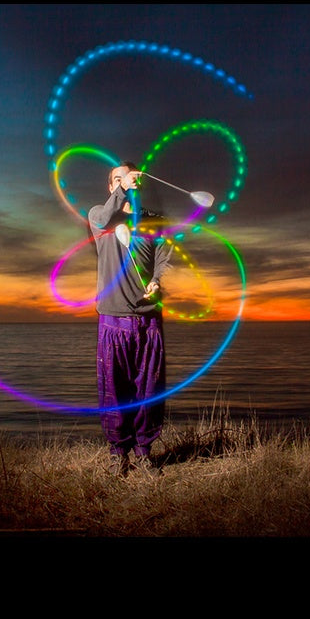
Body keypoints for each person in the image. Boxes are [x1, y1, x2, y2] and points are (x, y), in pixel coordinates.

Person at [88, 162, 172, 477]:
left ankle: (144, 452)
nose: (123, 182)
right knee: (114, 390)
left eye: (129, 176)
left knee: (149, 390)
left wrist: (158, 280)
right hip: (113, 320)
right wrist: (125, 185)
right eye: (116, 179)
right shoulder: (100, 217)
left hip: (149, 321)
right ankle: (117, 453)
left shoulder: (155, 222)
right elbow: (104, 216)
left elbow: (165, 259)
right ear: (111, 187)